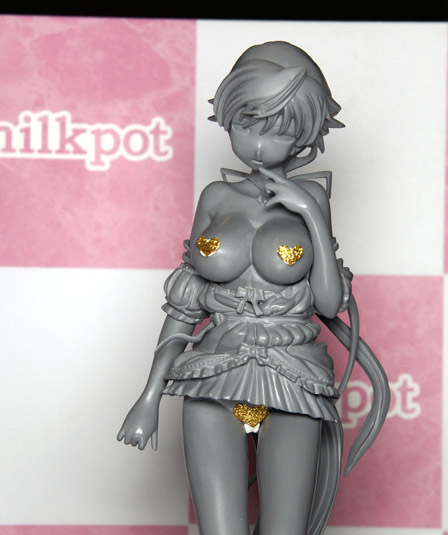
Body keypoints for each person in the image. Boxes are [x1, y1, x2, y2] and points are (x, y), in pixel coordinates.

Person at [118, 41, 389, 535]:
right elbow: (183, 307)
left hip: (293, 375)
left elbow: (329, 302)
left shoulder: (313, 199)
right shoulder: (215, 197)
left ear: (305, 134)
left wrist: (309, 212)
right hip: (213, 372)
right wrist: (149, 397)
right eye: (247, 125)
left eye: (280, 131)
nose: (260, 145)